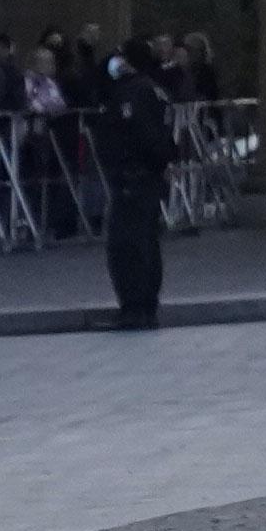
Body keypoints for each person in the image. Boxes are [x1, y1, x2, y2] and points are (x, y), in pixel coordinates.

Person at [83, 47, 183, 327]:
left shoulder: (134, 92)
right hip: (146, 176)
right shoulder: (154, 90)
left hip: (133, 176)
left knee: (128, 245)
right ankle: (145, 305)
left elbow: (140, 133)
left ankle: (134, 308)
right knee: (146, 241)